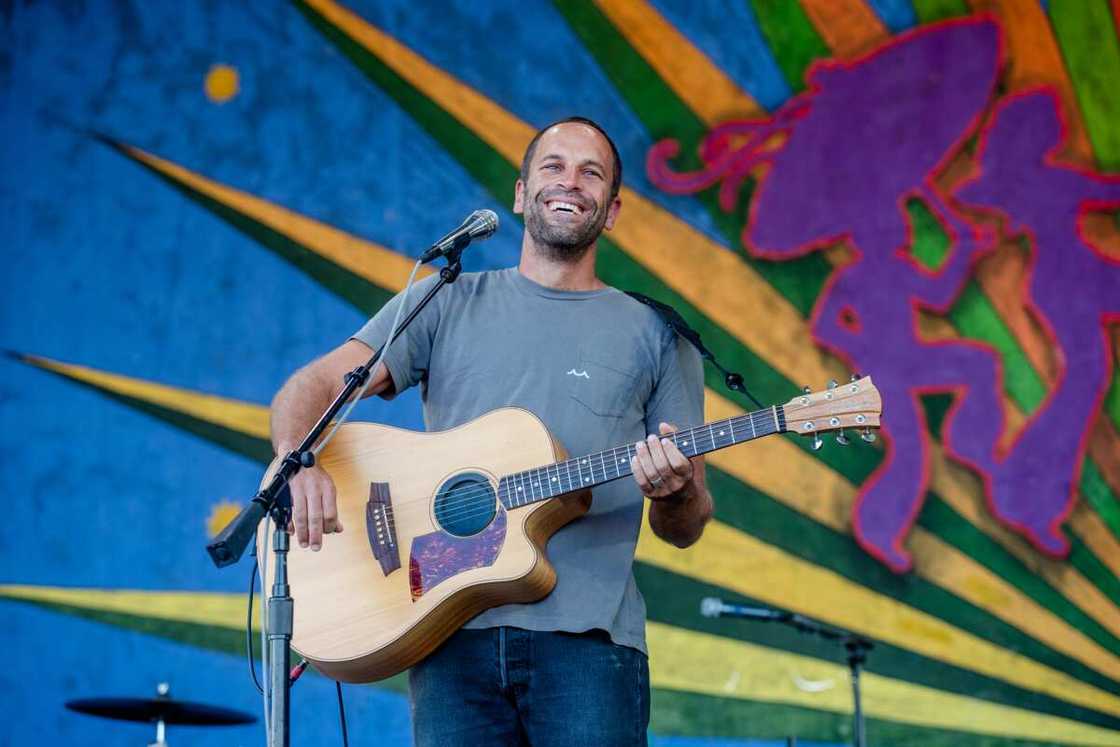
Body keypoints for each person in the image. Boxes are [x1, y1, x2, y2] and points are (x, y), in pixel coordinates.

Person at [269, 117, 713, 746]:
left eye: (591, 173)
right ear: (519, 192)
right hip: (445, 633)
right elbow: (311, 387)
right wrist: (299, 458)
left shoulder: (660, 334)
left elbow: (686, 528)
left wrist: (674, 493)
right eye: (553, 166)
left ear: (611, 211)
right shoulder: (442, 300)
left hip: (590, 648)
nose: (570, 182)